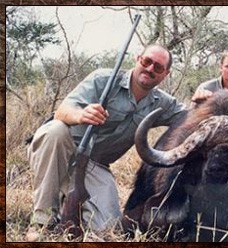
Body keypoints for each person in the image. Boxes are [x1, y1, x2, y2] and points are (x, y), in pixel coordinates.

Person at [26, 44, 186, 240]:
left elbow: (193, 115)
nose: (150, 69)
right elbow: (62, 111)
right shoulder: (102, 79)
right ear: (138, 60)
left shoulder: (163, 103)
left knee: (110, 228)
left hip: (94, 164)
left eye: (158, 67)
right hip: (59, 150)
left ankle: (64, 204)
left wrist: (206, 96)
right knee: (56, 130)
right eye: (147, 61)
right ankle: (41, 221)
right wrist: (81, 114)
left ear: (166, 74)